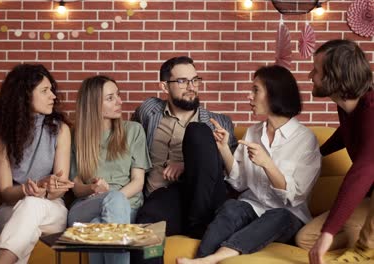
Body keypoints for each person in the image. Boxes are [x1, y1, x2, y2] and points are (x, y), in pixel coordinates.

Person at [177, 65, 322, 264]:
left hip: (287, 215)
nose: (249, 96)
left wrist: (267, 164)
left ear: (274, 94)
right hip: (252, 207)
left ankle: (213, 259)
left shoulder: (306, 139)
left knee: (279, 215)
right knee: (232, 207)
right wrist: (224, 148)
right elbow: (239, 181)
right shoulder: (253, 132)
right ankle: (201, 259)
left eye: (255, 90)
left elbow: (296, 197)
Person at [133, 56, 237, 239]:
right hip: (164, 198)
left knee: (198, 131)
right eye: (182, 81)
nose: (192, 87)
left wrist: (189, 165)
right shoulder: (148, 111)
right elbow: (129, 140)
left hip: (203, 201)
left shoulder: (219, 123)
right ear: (164, 87)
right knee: (146, 227)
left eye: (195, 80)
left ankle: (200, 225)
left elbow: (235, 174)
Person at [294, 39, 374, 264]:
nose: (310, 76)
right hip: (368, 199)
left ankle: (362, 251)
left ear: (335, 77)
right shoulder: (348, 109)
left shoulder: (371, 109)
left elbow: (365, 168)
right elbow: (346, 133)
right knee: (306, 239)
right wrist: (315, 153)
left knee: (330, 234)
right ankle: (360, 240)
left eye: (316, 71)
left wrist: (329, 233)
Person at [0, 64, 74, 264]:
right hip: (11, 210)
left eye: (51, 90)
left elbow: (58, 191)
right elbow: (6, 192)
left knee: (32, 206)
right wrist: (26, 190)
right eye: (45, 91)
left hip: (52, 209)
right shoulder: (1, 137)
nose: (53, 96)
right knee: (27, 226)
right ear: (24, 96)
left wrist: (48, 188)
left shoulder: (60, 130)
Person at [67, 75, 151, 264]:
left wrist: (113, 199)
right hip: (85, 207)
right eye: (110, 98)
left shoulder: (134, 130)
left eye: (118, 95)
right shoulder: (76, 136)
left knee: (99, 226)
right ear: (93, 104)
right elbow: (76, 187)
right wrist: (93, 189)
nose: (120, 101)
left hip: (128, 208)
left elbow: (138, 182)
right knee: (108, 208)